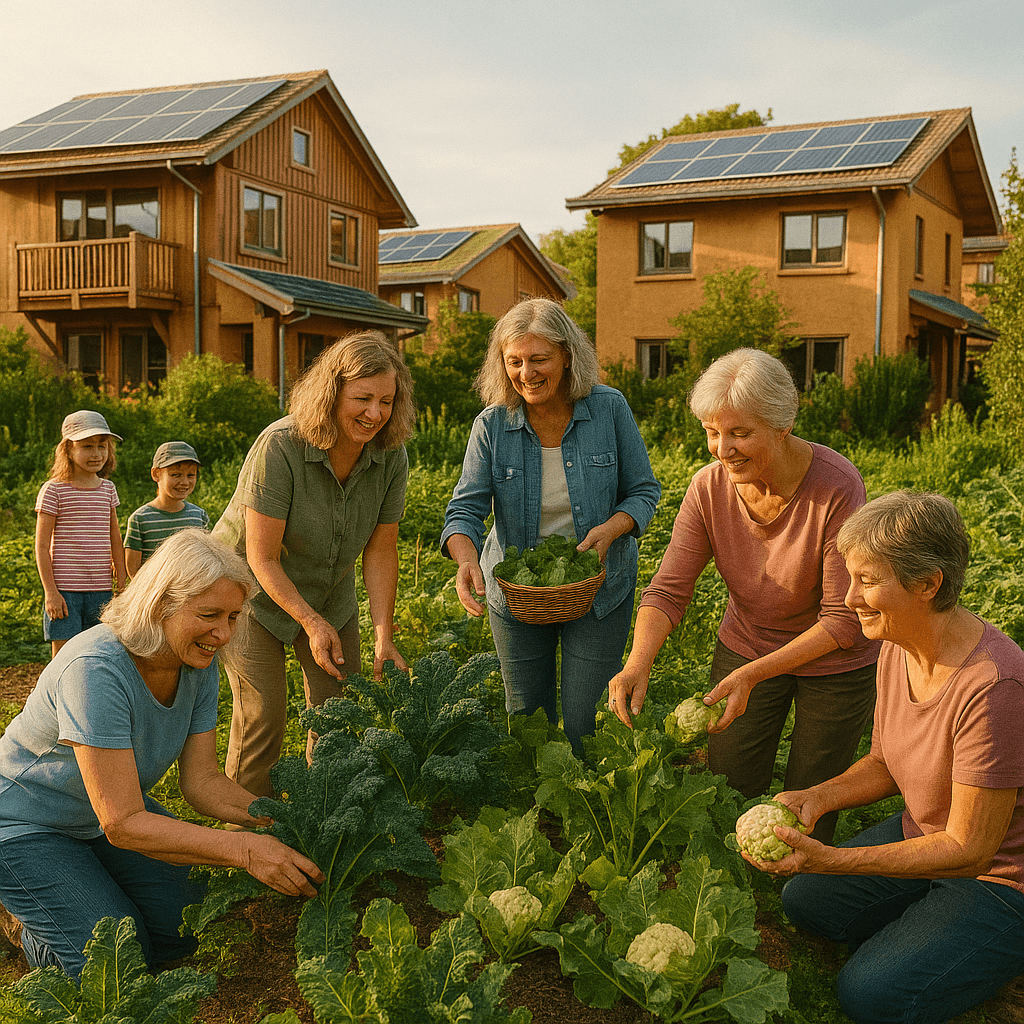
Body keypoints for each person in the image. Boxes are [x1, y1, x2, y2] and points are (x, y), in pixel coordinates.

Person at [747, 491, 1024, 1024]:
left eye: (868, 581)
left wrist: (834, 860)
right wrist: (818, 797)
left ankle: (989, 940)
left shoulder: (994, 687)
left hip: (999, 877)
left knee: (869, 995)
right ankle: (935, 924)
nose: (850, 597)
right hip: (926, 833)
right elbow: (883, 762)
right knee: (805, 900)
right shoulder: (897, 644)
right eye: (850, 578)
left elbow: (969, 849)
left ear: (928, 584)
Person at [0, 529, 323, 979]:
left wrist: (278, 820)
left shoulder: (196, 661)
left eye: (233, 616)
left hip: (101, 818)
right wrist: (244, 850)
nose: (223, 633)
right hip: (24, 825)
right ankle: (24, 924)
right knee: (115, 963)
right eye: (209, 614)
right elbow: (123, 822)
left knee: (187, 928)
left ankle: (79, 886)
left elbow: (202, 782)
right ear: (160, 604)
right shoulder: (95, 669)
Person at [608, 348, 879, 842]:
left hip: (835, 661)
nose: (722, 449)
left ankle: (804, 883)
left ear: (782, 424)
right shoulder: (709, 488)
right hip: (749, 642)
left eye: (739, 433)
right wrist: (637, 663)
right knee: (729, 784)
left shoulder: (837, 487)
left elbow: (842, 620)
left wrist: (752, 674)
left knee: (809, 800)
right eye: (712, 432)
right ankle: (736, 875)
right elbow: (668, 589)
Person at [441, 298, 661, 754]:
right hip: (518, 592)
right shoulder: (492, 425)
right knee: (527, 720)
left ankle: (587, 796)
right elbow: (464, 509)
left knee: (588, 722)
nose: (526, 373)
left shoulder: (608, 409)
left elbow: (643, 491)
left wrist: (612, 529)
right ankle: (535, 799)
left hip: (598, 587)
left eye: (539, 358)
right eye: (514, 361)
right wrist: (465, 560)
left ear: (566, 355)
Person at [213, 330, 415, 797]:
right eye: (362, 398)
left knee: (338, 713)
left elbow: (381, 549)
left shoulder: (390, 456)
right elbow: (261, 556)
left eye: (386, 401)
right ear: (332, 393)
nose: (374, 414)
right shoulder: (280, 446)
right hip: (250, 594)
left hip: (330, 593)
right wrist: (309, 621)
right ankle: (247, 827)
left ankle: (320, 815)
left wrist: (384, 635)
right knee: (264, 715)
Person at [34, 409, 129, 659]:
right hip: (64, 592)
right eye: (87, 446)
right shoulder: (54, 490)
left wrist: (121, 584)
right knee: (64, 656)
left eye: (102, 446)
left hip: (101, 590)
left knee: (97, 654)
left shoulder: (108, 489)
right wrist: (51, 592)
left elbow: (115, 538)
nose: (96, 454)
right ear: (68, 450)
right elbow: (41, 546)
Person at [125, 441, 209, 577]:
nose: (184, 482)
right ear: (156, 474)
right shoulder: (140, 519)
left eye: (190, 475)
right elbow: (133, 570)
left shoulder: (199, 516)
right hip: (153, 588)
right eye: (176, 475)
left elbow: (206, 560)